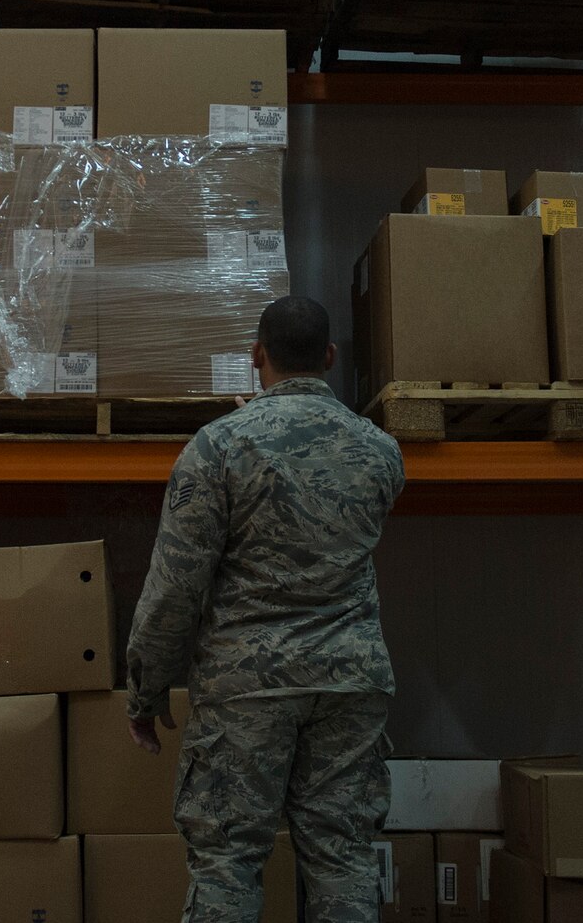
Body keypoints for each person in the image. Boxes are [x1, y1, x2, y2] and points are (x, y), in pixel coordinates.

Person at [124, 294, 406, 923]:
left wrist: (145, 693)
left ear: (257, 358)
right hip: (350, 682)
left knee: (226, 864)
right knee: (344, 862)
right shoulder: (382, 452)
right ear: (329, 358)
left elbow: (174, 588)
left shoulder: (218, 448)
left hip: (248, 686)